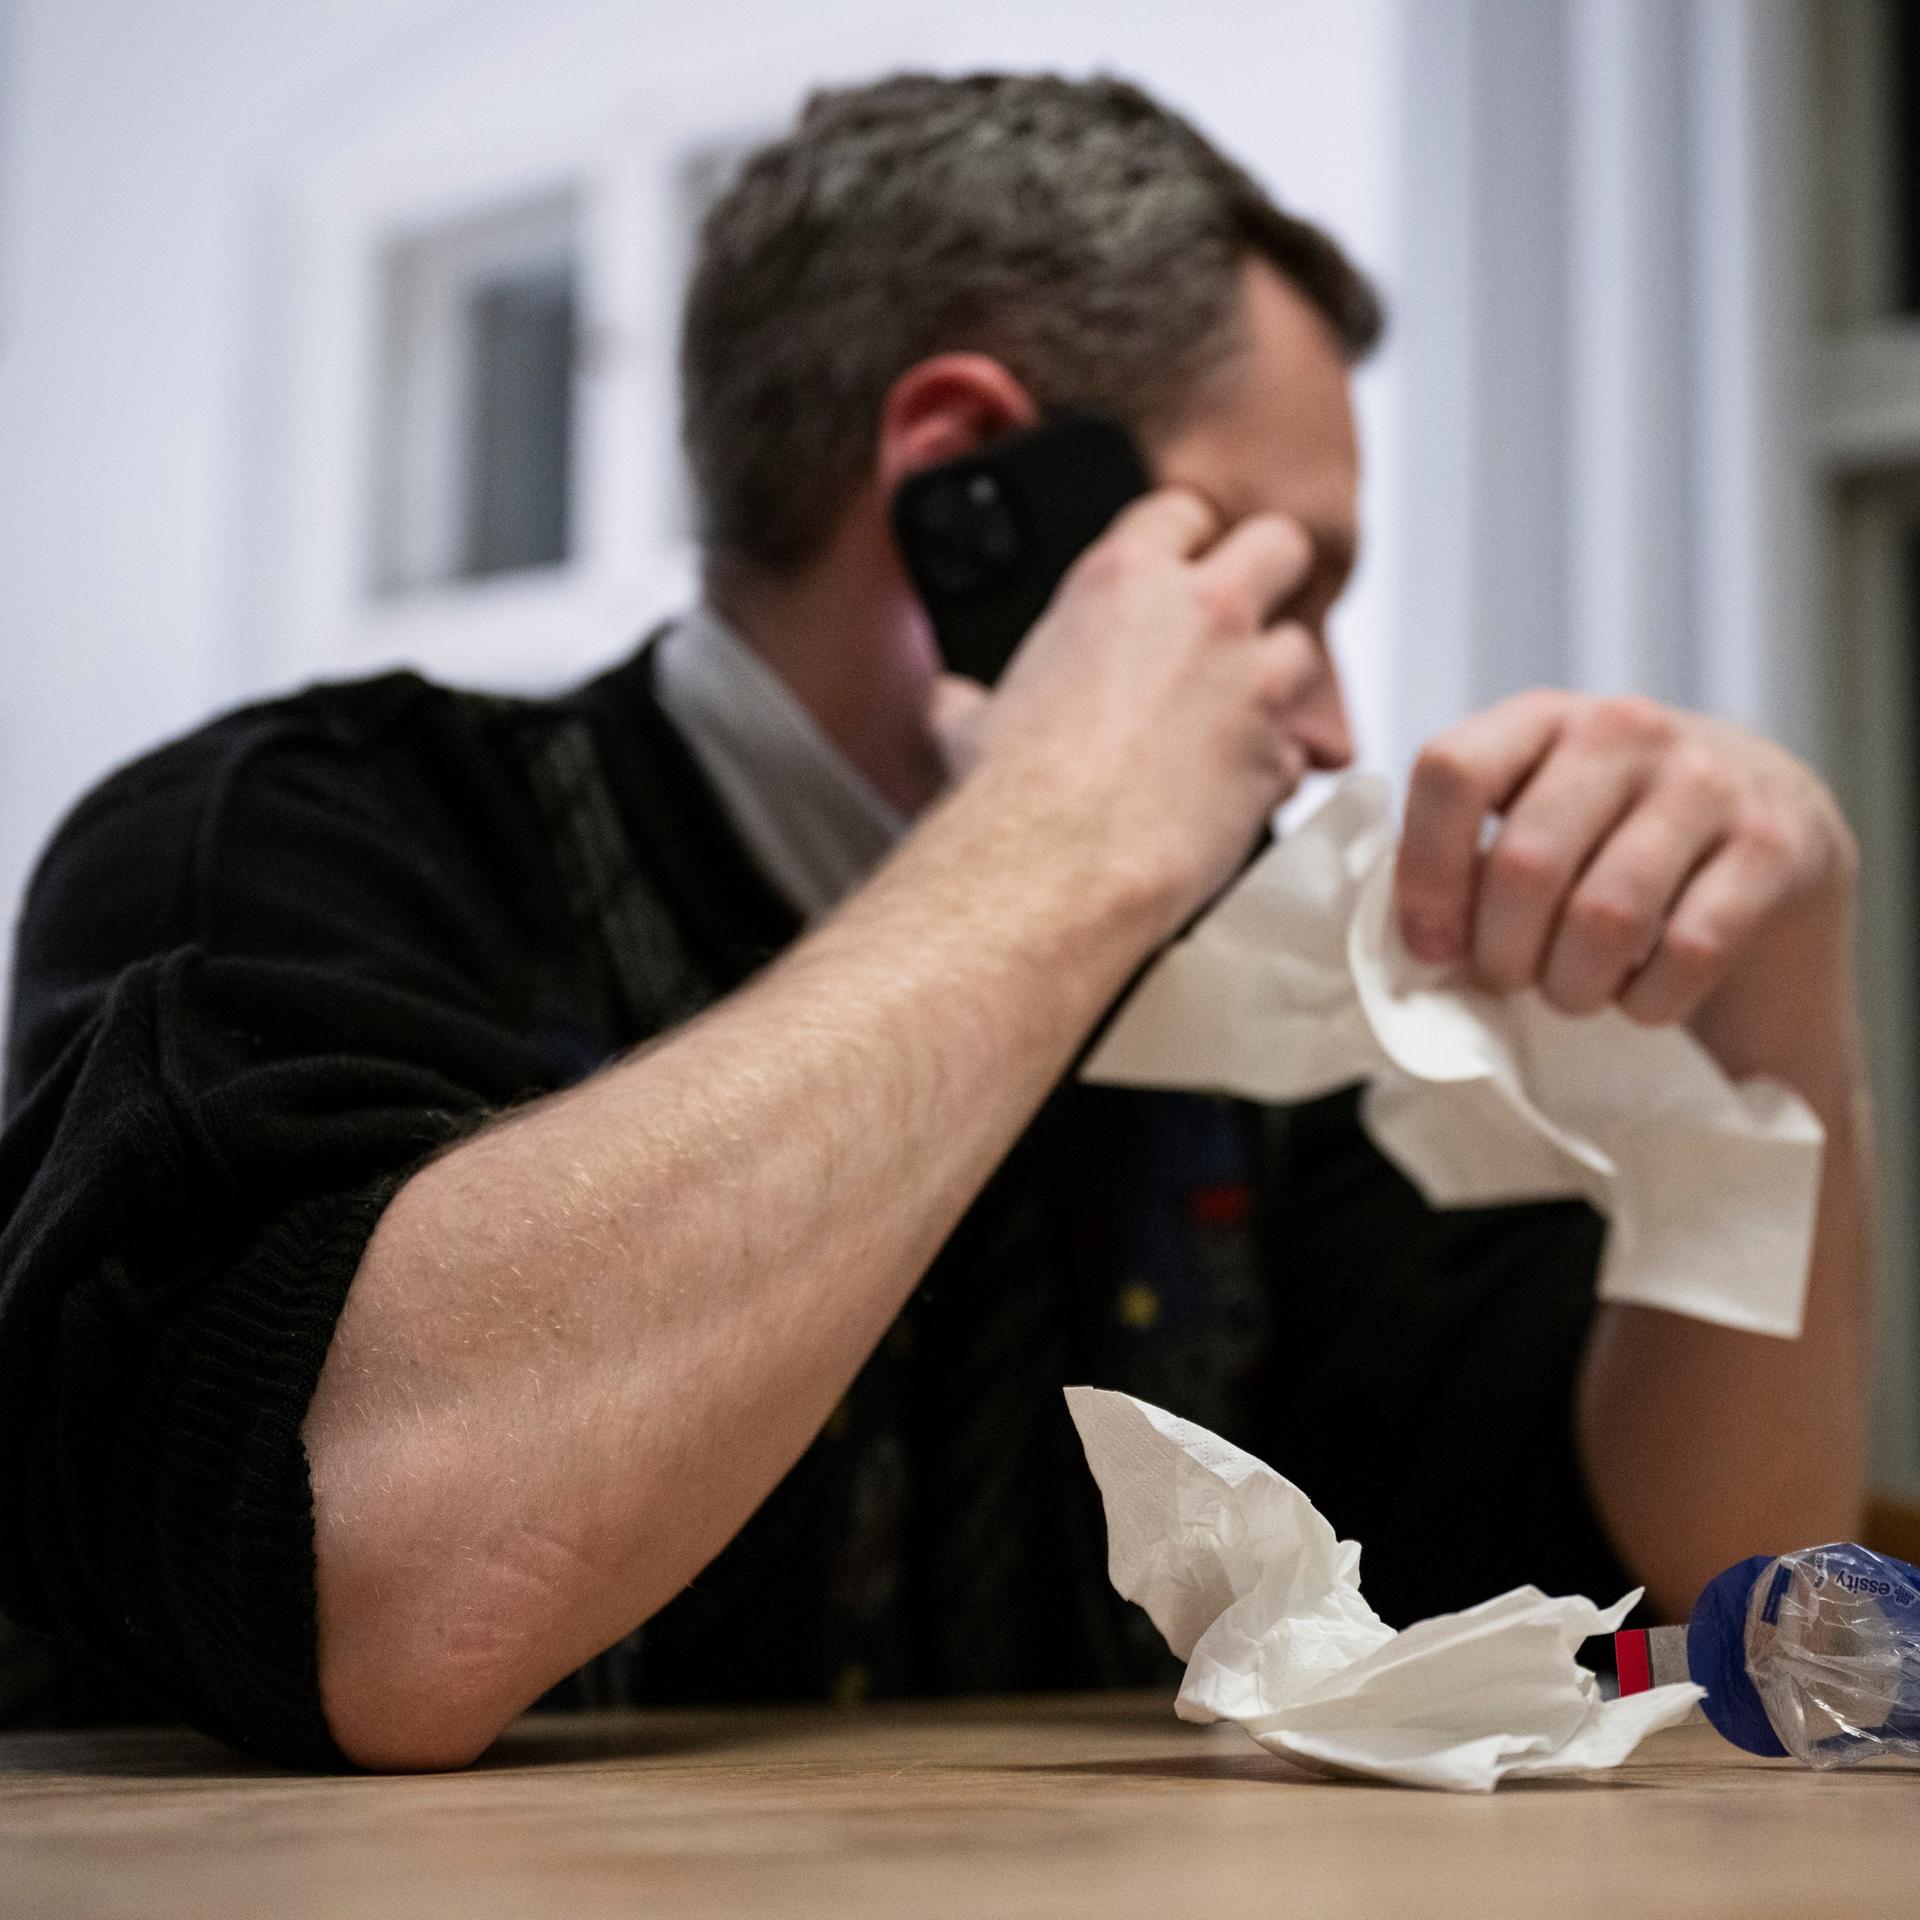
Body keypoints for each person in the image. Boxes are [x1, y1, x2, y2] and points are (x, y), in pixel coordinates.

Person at [0, 72, 1870, 1774]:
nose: (1328, 726)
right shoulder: (285, 846)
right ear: (964, 487)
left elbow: (1722, 1586)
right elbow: (380, 1592)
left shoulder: (1243, 982)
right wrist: (1062, 845)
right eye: (1281, 587)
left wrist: (1772, 1001)